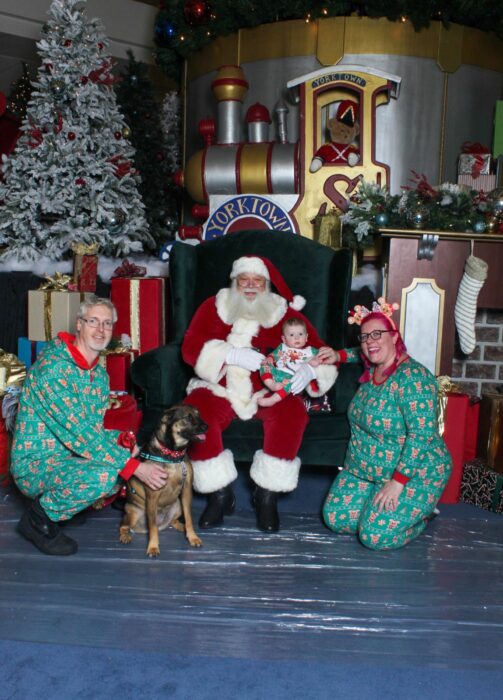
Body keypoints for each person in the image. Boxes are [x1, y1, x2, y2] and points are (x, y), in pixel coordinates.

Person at [182, 255, 338, 533]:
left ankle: (267, 496)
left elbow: (319, 349)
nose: (251, 286)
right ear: (235, 282)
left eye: (258, 281)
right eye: (245, 280)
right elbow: (190, 347)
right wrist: (230, 354)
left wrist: (311, 371)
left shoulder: (283, 312)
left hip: (269, 391)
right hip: (221, 387)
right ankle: (219, 494)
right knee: (196, 413)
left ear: (267, 285)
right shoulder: (214, 305)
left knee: (292, 413)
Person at [11, 296, 168, 556]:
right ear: (79, 325)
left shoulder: (98, 375)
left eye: (107, 324)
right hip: (36, 464)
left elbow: (90, 431)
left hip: (68, 454)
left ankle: (67, 504)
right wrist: (135, 468)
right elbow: (81, 436)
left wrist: (123, 442)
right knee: (105, 474)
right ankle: (38, 520)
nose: (101, 330)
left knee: (123, 446)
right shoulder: (52, 370)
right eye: (93, 321)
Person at [322, 297, 452, 550]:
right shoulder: (373, 367)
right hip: (368, 469)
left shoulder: (413, 378)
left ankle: (422, 515)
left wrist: (398, 482)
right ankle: (381, 508)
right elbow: (357, 354)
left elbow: (421, 435)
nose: (370, 341)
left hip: (412, 473)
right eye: (364, 336)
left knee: (374, 537)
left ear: (394, 337)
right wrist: (336, 355)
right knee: (336, 518)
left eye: (377, 334)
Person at [257, 318, 321, 408]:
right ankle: (271, 384)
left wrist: (316, 360)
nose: (297, 337)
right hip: (276, 374)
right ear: (284, 339)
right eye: (291, 335)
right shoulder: (282, 348)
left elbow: (323, 357)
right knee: (264, 363)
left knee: (291, 383)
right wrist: (270, 358)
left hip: (292, 377)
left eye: (300, 334)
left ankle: (272, 400)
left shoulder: (310, 351)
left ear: (306, 337)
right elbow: (273, 355)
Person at [310, 99, 360, 173]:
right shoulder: (326, 148)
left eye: (347, 131)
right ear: (331, 124)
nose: (343, 133)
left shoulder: (352, 149)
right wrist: (318, 161)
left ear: (356, 130)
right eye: (342, 130)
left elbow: (358, 154)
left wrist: (355, 157)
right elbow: (321, 155)